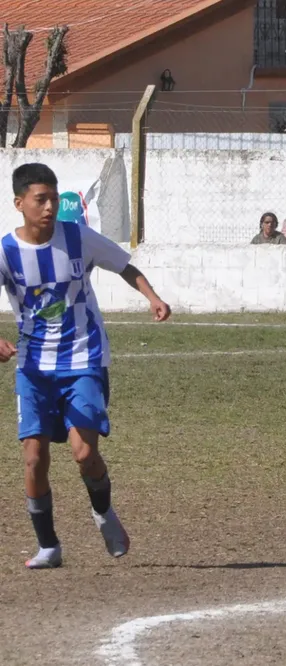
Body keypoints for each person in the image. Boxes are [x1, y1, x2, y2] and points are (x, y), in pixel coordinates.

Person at [0, 163, 172, 569]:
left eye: (53, 198)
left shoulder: (78, 237)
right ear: (19, 203)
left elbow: (125, 266)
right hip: (33, 367)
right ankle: (49, 546)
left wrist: (153, 297)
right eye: (40, 199)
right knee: (33, 457)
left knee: (83, 453)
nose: (49, 207)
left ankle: (103, 512)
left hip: (84, 359)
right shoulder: (6, 251)